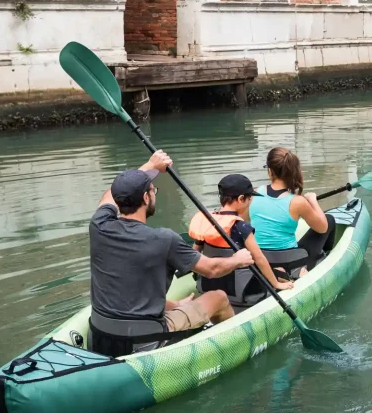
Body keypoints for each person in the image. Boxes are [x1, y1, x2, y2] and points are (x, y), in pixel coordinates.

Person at [88, 150, 254, 356]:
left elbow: (109, 196)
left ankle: (176, 307)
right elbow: (212, 269)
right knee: (218, 298)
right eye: (153, 190)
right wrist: (238, 260)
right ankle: (237, 351)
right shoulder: (164, 239)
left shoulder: (99, 225)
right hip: (144, 341)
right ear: (146, 197)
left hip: (98, 336)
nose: (154, 194)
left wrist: (149, 166)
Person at [188, 174, 293, 308]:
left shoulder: (207, 221)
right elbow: (259, 258)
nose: (251, 202)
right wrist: (276, 284)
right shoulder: (241, 227)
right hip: (242, 293)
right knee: (280, 271)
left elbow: (194, 254)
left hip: (207, 288)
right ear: (241, 199)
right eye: (250, 198)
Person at [249, 147, 335, 275]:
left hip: (261, 261)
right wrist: (313, 201)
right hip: (290, 264)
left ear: (270, 171)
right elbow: (322, 228)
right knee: (329, 220)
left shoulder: (254, 194)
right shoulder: (298, 202)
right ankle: (325, 258)